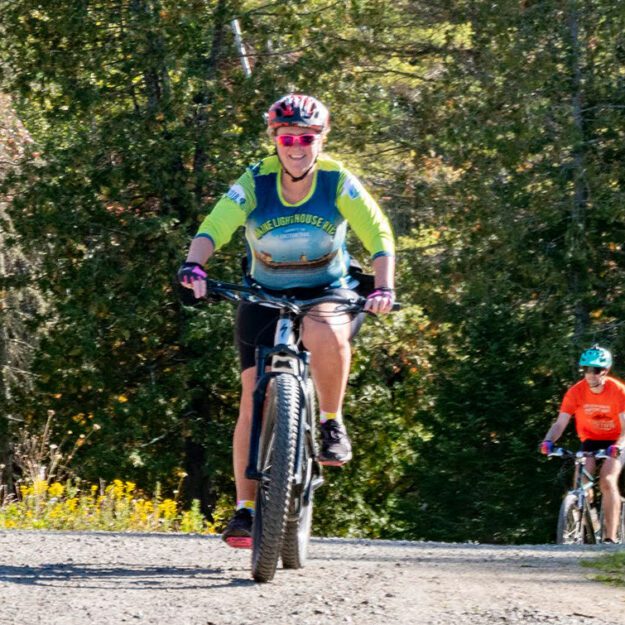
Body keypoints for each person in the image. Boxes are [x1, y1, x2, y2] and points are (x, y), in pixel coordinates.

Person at [178, 94, 395, 548]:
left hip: (326, 289)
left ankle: (332, 422)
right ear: (274, 140)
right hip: (263, 292)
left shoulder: (337, 180)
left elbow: (376, 231)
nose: (297, 147)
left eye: (307, 138)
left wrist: (383, 285)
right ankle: (246, 509)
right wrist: (195, 265)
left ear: (322, 138)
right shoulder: (256, 181)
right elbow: (215, 225)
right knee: (252, 395)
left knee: (324, 328)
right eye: (288, 138)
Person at [539, 345, 625, 543]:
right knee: (581, 482)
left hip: (617, 440)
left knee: (607, 480)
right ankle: (580, 523)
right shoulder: (576, 392)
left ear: (606, 371)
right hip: (591, 440)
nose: (590, 375)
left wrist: (618, 445)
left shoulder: (618, 391)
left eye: (595, 370)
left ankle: (609, 538)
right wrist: (548, 441)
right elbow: (560, 423)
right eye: (586, 369)